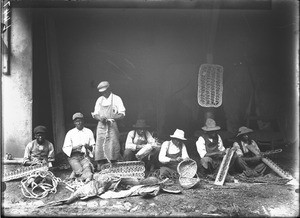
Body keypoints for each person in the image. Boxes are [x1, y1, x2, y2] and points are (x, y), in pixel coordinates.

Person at [91, 81, 126, 171]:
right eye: (102, 92)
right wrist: (100, 118)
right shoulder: (99, 100)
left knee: (113, 143)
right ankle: (100, 165)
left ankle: (113, 164)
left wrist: (113, 117)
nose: (104, 93)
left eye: (105, 91)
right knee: (100, 144)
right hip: (101, 125)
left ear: (109, 89)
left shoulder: (117, 99)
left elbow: (122, 114)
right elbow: (95, 114)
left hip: (112, 124)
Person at [62, 112, 95, 183]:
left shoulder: (89, 132)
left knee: (87, 169)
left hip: (84, 157)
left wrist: (88, 147)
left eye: (80, 121)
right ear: (74, 123)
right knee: (80, 170)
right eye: (77, 121)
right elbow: (65, 148)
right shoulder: (70, 133)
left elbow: (93, 147)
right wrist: (75, 148)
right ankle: (80, 174)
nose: (79, 123)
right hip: (73, 157)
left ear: (83, 121)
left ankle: (80, 175)